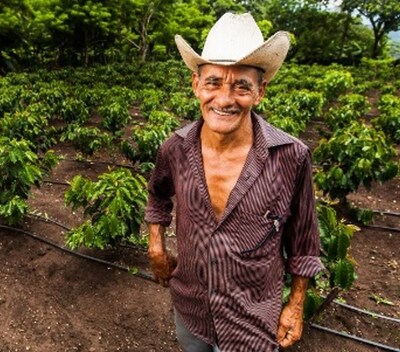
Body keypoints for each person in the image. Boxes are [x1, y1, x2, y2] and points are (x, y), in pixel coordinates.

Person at [145, 12, 323, 352]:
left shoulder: (291, 156)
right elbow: (157, 195)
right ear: (195, 84)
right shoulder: (175, 148)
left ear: (260, 92)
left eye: (241, 85)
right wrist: (156, 243)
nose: (224, 99)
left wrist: (296, 305)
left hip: (252, 320)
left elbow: (303, 241)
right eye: (213, 82)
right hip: (191, 308)